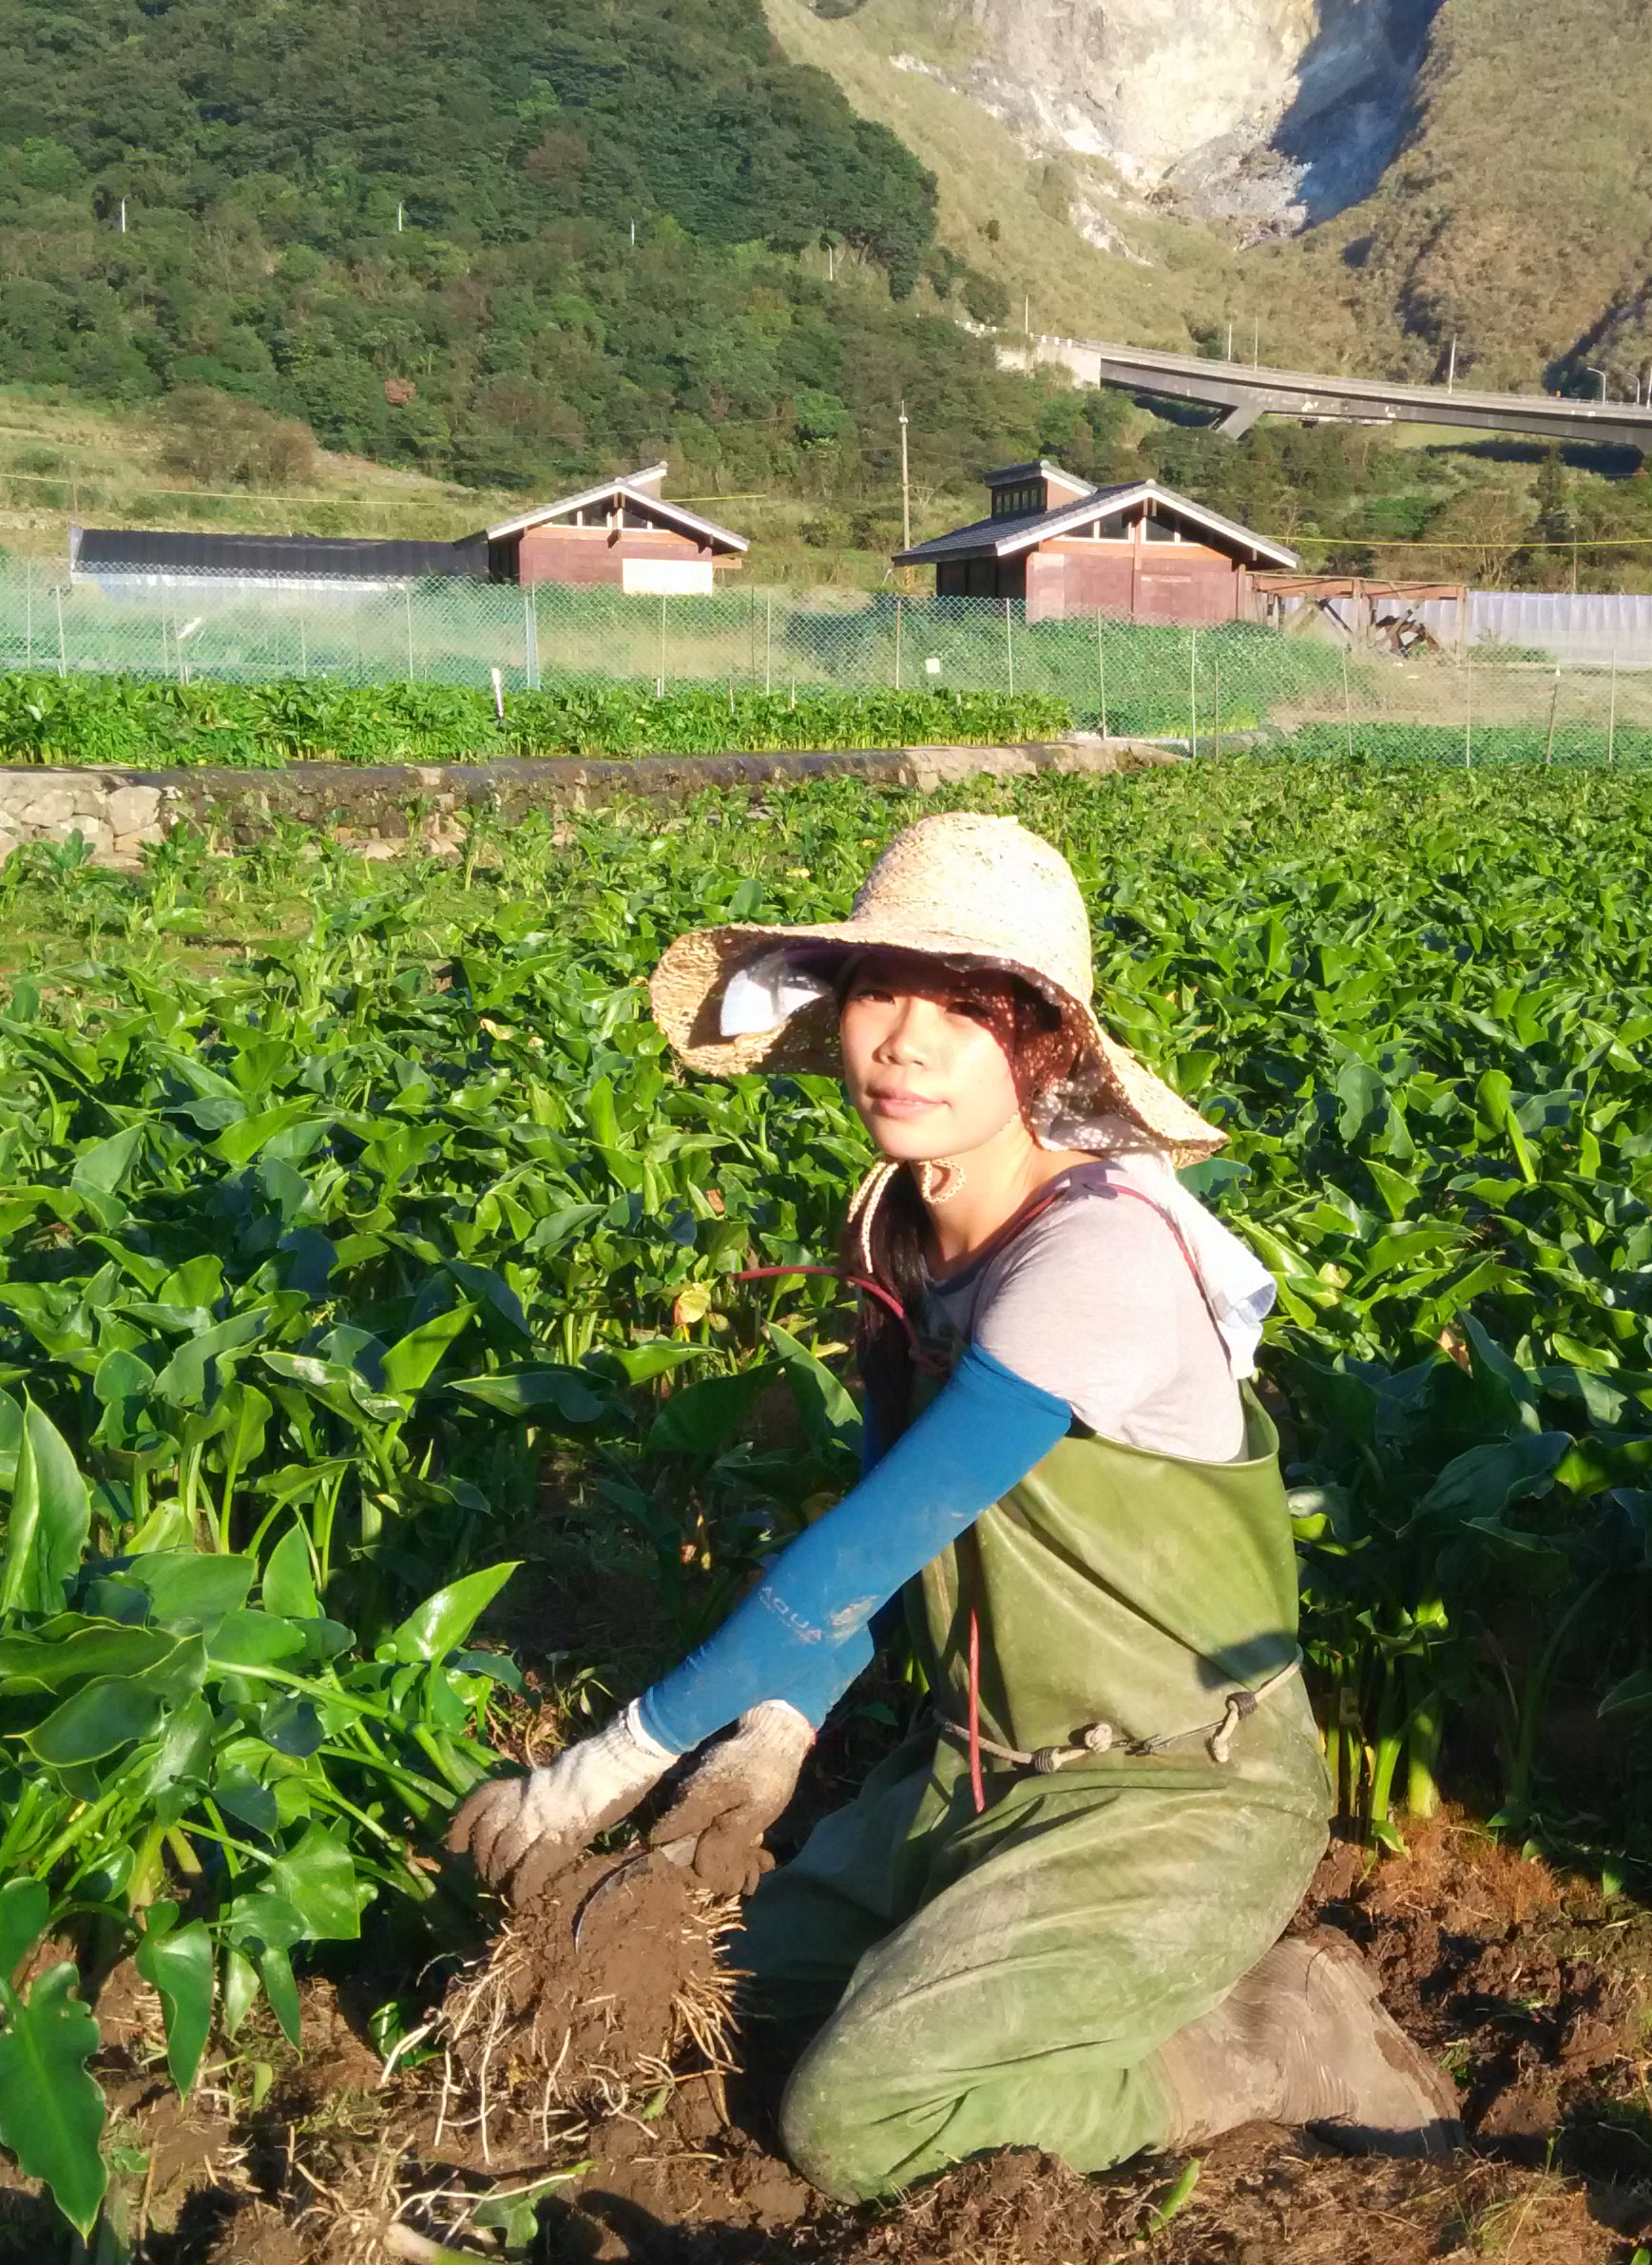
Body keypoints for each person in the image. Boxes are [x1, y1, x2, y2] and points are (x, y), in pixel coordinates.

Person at [448, 810, 1456, 2201]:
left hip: (1173, 1789)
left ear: (1040, 1043)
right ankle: (1014, 1979)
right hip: (975, 1769)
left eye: (960, 1006)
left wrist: (595, 1772)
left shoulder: (1096, 1250)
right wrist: (778, 1731)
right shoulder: (901, 1227)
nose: (904, 1038)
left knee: (858, 2117)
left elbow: (861, 1548)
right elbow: (880, 1526)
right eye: (877, 992)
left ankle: (1257, 2039)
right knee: (723, 2002)